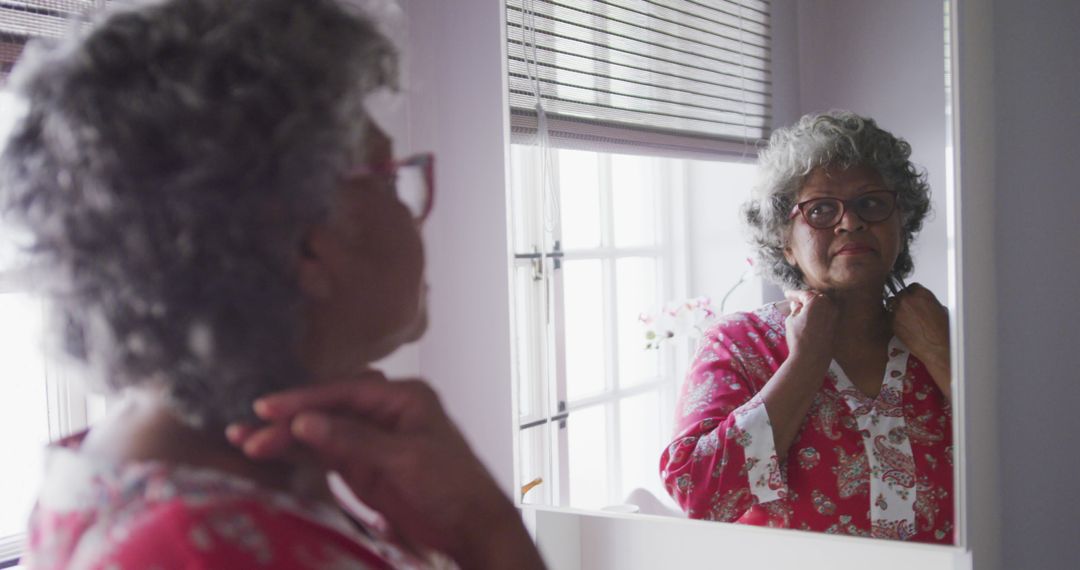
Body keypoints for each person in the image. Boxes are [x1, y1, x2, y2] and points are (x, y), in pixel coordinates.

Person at [0, 0, 545, 568]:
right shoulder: (203, 550)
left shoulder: (155, 473)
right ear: (308, 239)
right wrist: (492, 535)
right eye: (390, 178)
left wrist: (481, 528)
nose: (417, 211)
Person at [659, 111, 953, 543]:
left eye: (871, 203)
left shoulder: (945, 335)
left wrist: (942, 354)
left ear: (901, 223)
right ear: (785, 240)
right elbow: (699, 494)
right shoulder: (740, 344)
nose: (850, 222)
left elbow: (1033, 471)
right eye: (820, 210)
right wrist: (806, 360)